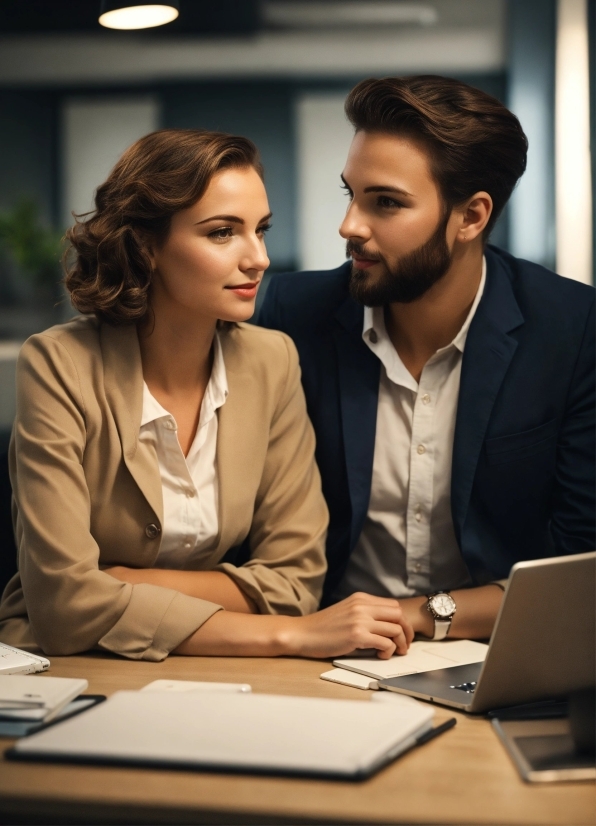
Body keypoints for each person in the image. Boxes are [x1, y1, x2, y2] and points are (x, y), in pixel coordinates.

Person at [0, 129, 415, 661]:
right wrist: (289, 635)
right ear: (146, 246)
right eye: (222, 233)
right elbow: (63, 607)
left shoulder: (271, 362)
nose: (258, 258)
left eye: (260, 230)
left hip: (212, 665)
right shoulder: (59, 365)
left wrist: (123, 582)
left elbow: (295, 583)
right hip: (68, 667)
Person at [259, 76, 595, 642]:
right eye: (352, 194)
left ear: (471, 217)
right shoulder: (293, 317)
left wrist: (418, 616)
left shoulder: (570, 329)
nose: (350, 226)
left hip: (496, 653)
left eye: (385, 202)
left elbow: (579, 571)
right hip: (319, 650)